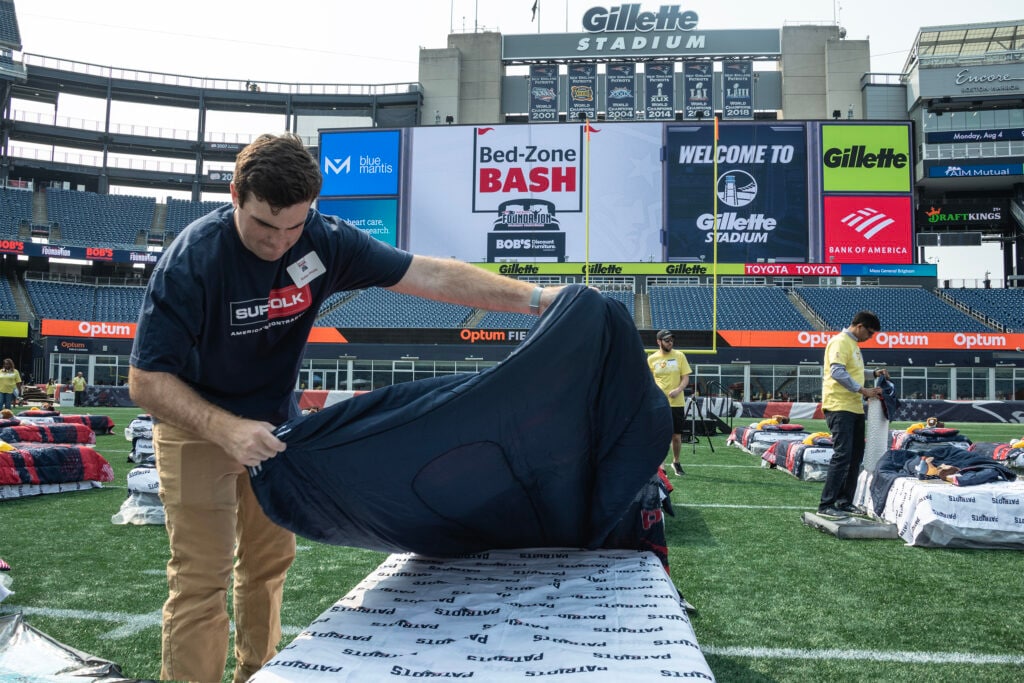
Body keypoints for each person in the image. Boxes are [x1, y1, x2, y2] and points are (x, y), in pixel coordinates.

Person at [128, 132, 563, 683]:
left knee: (266, 568)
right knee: (200, 578)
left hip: (275, 428)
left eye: (294, 225)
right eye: (265, 225)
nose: (280, 241)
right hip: (196, 427)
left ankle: (256, 674)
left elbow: (428, 275)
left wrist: (541, 300)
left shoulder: (323, 239)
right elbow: (144, 380)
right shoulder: (194, 259)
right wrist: (225, 427)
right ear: (235, 193)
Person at [817, 310, 885, 519]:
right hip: (839, 406)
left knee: (855, 456)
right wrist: (863, 390)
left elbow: (853, 372)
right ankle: (826, 503)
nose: (870, 338)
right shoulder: (840, 342)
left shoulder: (853, 345)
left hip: (854, 407)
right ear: (860, 326)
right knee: (843, 454)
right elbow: (837, 372)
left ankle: (845, 501)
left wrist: (873, 374)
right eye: (870, 333)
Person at [648, 329, 692, 476]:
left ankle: (676, 461)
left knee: (676, 436)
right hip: (659, 404)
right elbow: (649, 381)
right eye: (667, 340)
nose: (670, 342)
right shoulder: (652, 359)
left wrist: (679, 390)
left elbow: (685, 377)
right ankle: (662, 466)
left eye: (671, 340)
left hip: (676, 402)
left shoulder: (680, 356)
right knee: (661, 436)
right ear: (659, 342)